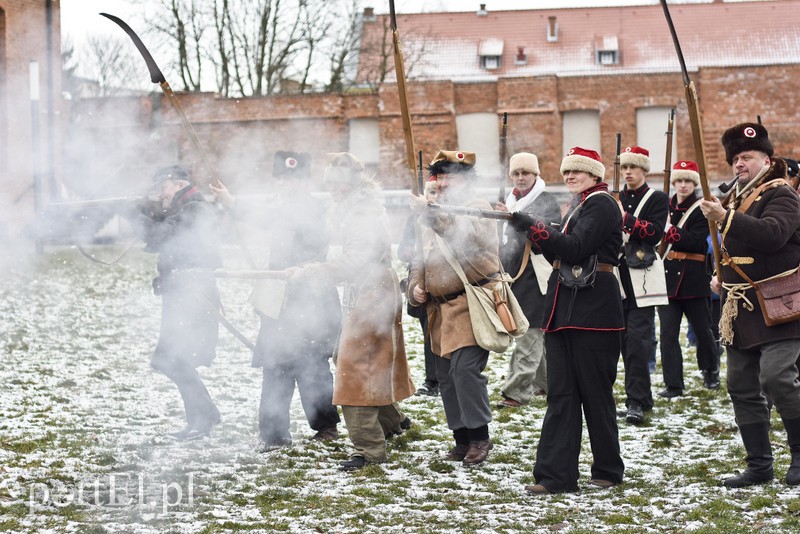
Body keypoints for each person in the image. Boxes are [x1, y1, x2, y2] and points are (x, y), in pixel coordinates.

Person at [284, 152, 415, 471]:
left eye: (340, 183)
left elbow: (355, 260)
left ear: (353, 183)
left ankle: (369, 450)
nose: (334, 188)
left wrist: (313, 272)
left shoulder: (361, 213)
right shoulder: (350, 209)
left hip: (372, 290)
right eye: (330, 183)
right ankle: (393, 422)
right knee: (371, 361)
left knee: (353, 368)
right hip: (369, 289)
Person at [509, 147, 625, 494]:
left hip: (594, 311)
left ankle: (607, 468)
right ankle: (556, 475)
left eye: (578, 171)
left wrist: (534, 226)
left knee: (595, 394)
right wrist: (533, 230)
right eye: (567, 171)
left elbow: (575, 248)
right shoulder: (580, 205)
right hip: (565, 309)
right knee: (561, 394)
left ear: (594, 175)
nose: (570, 176)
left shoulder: (602, 204)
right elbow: (558, 250)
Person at [210, 151, 341, 450]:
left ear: (304, 180)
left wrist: (239, 206)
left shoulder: (312, 207)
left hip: (311, 297)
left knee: (311, 365)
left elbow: (304, 236)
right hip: (279, 299)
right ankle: (272, 433)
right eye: (282, 178)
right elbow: (265, 218)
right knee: (275, 364)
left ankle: (325, 427)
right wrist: (231, 203)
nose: (287, 184)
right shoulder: (279, 206)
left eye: (294, 178)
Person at [699, 122, 800, 488]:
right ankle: (759, 465)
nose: (739, 164)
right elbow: (730, 248)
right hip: (740, 306)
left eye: (747, 157)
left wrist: (725, 218)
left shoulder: (782, 194)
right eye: (736, 158)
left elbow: (772, 236)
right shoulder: (733, 198)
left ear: (767, 159)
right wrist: (718, 273)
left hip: (780, 304)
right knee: (741, 386)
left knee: (777, 378)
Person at [407, 150, 500, 466]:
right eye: (440, 176)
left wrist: (430, 212)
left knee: (464, 371)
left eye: (452, 175)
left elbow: (468, 239)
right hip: (439, 309)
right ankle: (461, 439)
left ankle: (479, 437)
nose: (444, 182)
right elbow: (421, 257)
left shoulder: (477, 207)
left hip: (470, 301)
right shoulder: (433, 210)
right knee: (445, 377)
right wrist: (415, 287)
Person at [136, 165, 222, 441]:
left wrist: (135, 213)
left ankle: (204, 417)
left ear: (177, 184)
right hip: (183, 294)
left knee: (176, 358)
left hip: (193, 295)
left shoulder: (195, 208)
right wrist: (142, 208)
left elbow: (159, 236)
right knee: (172, 358)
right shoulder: (185, 207)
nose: (161, 194)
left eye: (163, 188)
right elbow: (162, 230)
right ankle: (202, 416)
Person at [494, 152, 561, 407]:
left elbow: (550, 231)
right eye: (516, 173)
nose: (521, 178)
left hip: (537, 277)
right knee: (530, 333)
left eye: (526, 173)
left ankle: (516, 392)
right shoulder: (512, 200)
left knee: (529, 333)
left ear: (536, 174)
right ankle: (547, 384)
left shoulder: (547, 201)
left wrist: (511, 217)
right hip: (515, 277)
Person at [616, 146, 669, 425]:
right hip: (616, 277)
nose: (628, 172)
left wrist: (624, 218)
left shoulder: (656, 198)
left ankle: (636, 401)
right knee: (622, 343)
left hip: (642, 277)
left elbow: (654, 233)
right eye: (624, 167)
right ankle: (640, 396)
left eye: (633, 167)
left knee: (637, 341)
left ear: (644, 170)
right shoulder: (616, 196)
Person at [658, 160, 720, 398]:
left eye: (687, 181)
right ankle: (674, 384)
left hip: (694, 278)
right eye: (679, 181)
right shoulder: (665, 206)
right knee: (668, 334)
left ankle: (710, 369)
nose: (683, 185)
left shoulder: (702, 207)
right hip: (668, 279)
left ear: (694, 183)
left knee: (704, 331)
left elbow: (696, 241)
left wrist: (667, 229)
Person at [398, 177, 440, 397]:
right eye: (431, 192)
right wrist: (408, 252)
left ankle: (446, 377)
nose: (435, 196)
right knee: (428, 332)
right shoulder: (415, 218)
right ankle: (432, 379)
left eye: (438, 192)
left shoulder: (448, 215)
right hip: (422, 281)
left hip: (444, 281)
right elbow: (403, 249)